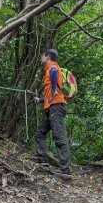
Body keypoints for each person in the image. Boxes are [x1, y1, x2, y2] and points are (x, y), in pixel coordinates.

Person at [34, 49, 71, 179]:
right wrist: (40, 100)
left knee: (59, 136)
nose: (40, 59)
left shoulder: (53, 67)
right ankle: (43, 161)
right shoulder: (49, 70)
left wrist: (54, 88)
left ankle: (64, 169)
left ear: (47, 56)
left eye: (42, 56)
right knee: (40, 132)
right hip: (52, 108)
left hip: (57, 108)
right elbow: (51, 94)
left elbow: (54, 87)